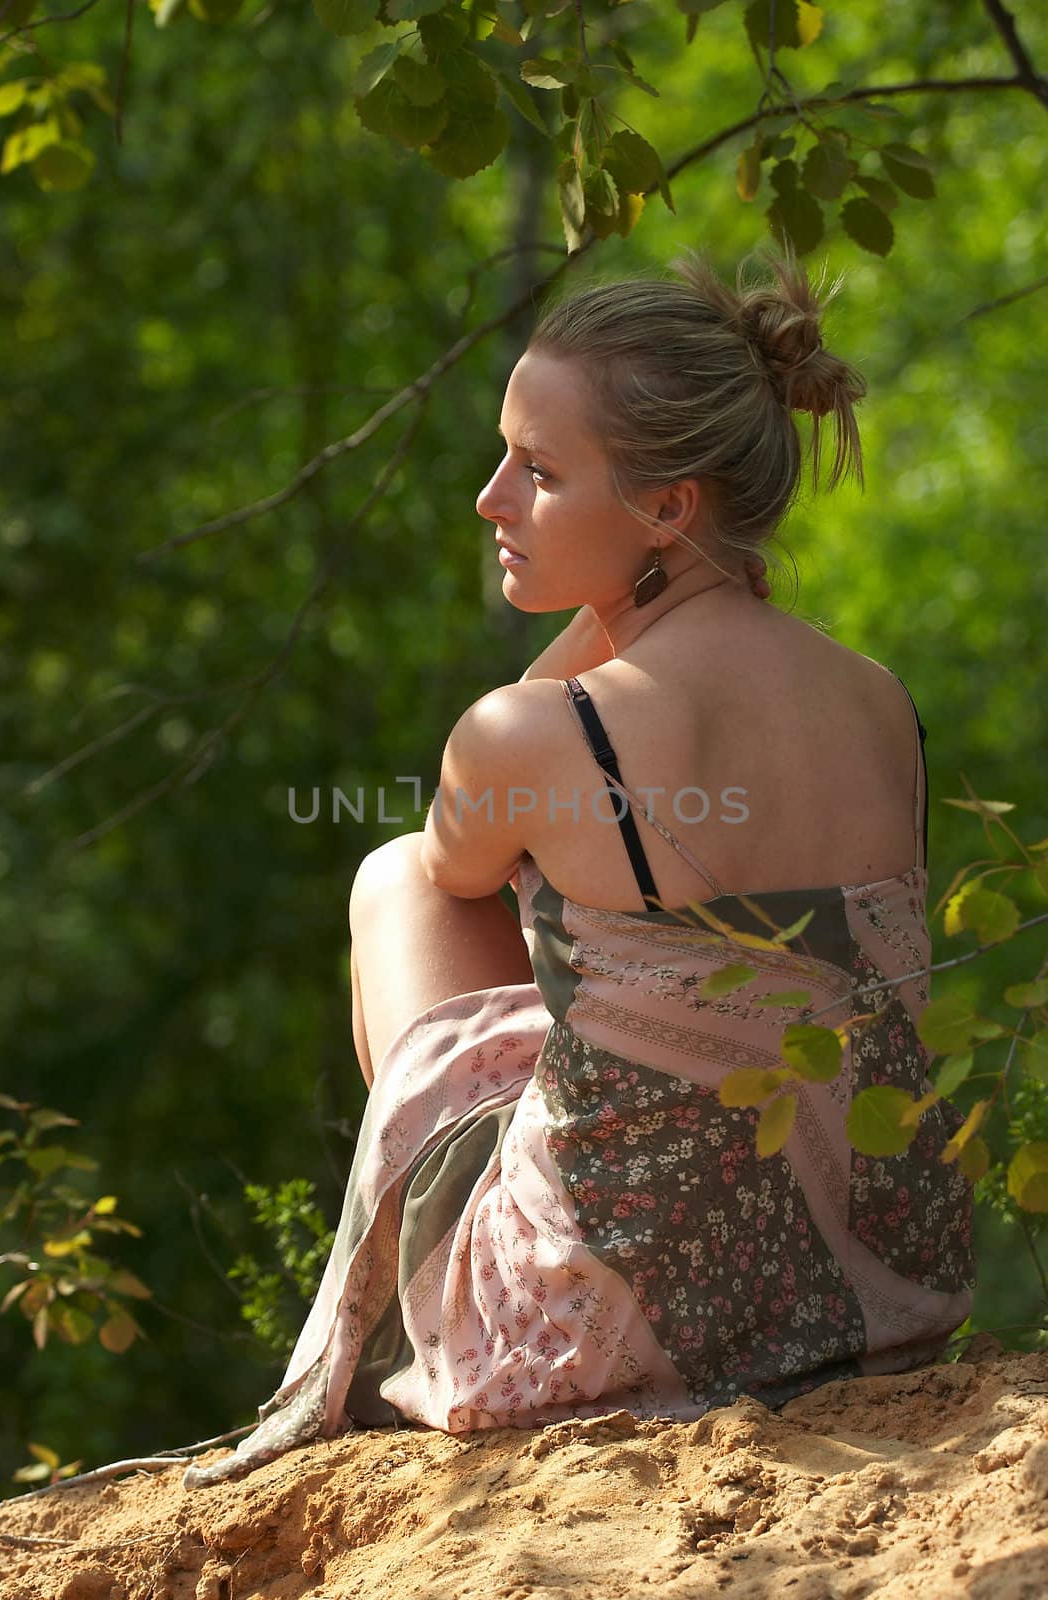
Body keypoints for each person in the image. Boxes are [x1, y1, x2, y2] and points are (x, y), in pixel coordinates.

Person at [184, 244, 976, 1489]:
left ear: (670, 507)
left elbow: (461, 863)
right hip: (867, 1303)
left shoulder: (538, 732)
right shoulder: (881, 701)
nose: (490, 498)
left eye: (539, 472)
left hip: (587, 1347)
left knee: (399, 875)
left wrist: (591, 650)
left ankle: (426, 1314)